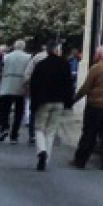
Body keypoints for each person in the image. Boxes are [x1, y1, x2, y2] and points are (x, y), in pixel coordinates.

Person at [28, 42, 74, 171]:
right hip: (59, 101)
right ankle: (46, 158)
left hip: (43, 101)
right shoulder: (65, 65)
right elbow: (68, 85)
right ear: (58, 51)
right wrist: (68, 103)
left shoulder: (41, 65)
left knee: (39, 128)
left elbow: (34, 85)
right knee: (51, 131)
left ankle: (41, 150)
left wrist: (34, 102)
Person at [0, 39, 32, 143]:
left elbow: (1, 69)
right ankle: (14, 134)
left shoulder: (7, 56)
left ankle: (4, 127)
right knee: (19, 111)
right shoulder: (28, 57)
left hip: (7, 84)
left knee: (5, 109)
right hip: (20, 85)